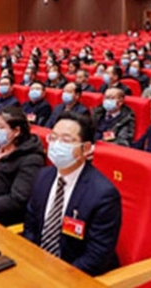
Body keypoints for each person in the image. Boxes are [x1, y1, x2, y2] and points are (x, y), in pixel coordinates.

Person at [23, 111, 122, 276]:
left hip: (78, 275)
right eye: (53, 138)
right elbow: (31, 228)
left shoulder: (103, 194)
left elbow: (96, 256)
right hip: (39, 266)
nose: (56, 145)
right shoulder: (43, 176)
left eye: (66, 140)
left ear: (86, 148)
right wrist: (31, 261)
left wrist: (58, 277)